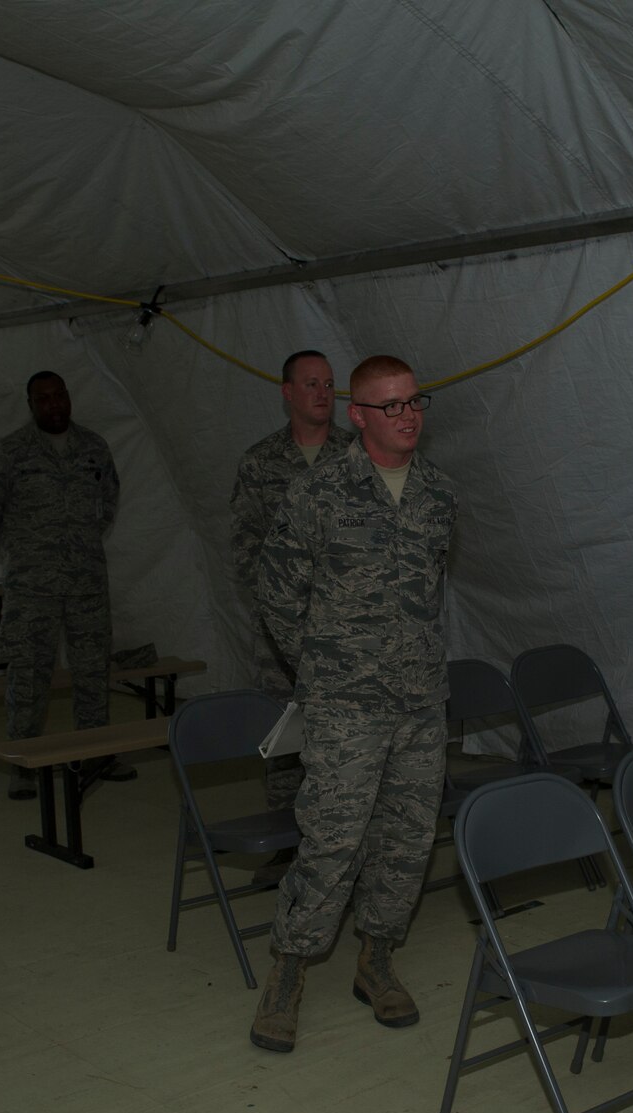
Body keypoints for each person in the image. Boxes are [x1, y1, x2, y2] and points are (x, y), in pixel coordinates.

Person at [249, 355, 456, 1053]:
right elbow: (277, 587)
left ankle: (376, 959)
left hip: (419, 701)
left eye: (414, 401)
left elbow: (430, 589)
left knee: (405, 839)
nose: (407, 415)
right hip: (346, 705)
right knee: (332, 839)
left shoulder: (436, 493)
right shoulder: (320, 492)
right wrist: (322, 664)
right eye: (389, 406)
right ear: (358, 415)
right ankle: (287, 973)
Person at [0, 370, 129, 796]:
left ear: (69, 399)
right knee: (28, 675)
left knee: (93, 671)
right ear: (31, 405)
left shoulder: (93, 448)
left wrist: (80, 542)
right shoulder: (9, 453)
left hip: (86, 583)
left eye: (60, 397)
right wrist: (21, 551)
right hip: (31, 587)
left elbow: (108, 503)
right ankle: (24, 764)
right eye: (44, 399)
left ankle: (95, 753)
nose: (54, 405)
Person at [230, 351, 357, 810]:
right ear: (287, 393)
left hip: (348, 625)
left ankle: (341, 832)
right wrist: (281, 604)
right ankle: (285, 834)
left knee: (349, 731)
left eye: (328, 384)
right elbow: (245, 544)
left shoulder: (358, 457)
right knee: (284, 729)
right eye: (310, 384)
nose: (322, 393)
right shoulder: (260, 462)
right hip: (281, 628)